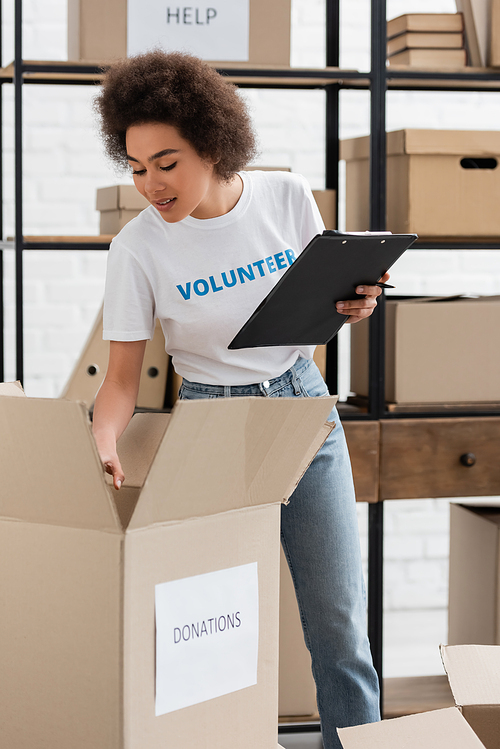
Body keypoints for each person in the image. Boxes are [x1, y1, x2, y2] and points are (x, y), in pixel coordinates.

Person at [92, 50, 385, 749]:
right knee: (206, 628)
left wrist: (356, 304)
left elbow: (324, 309)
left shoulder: (286, 197)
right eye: (135, 167)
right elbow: (123, 382)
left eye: (167, 161)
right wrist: (102, 442)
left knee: (339, 622)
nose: (150, 184)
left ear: (212, 145)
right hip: (213, 425)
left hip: (302, 411)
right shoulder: (137, 249)